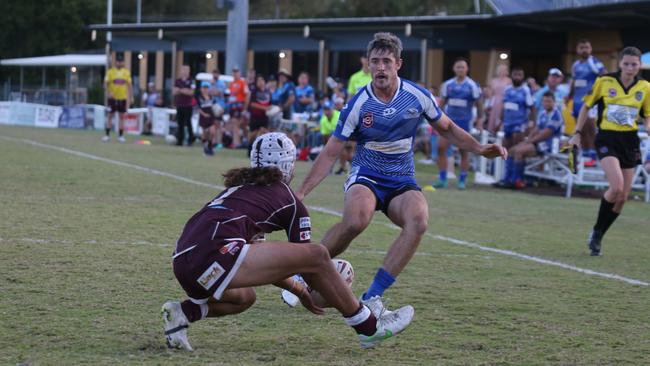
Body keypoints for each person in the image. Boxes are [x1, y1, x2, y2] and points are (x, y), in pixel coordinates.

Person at [294, 32, 507, 315]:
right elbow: (332, 151)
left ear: (398, 64)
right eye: (375, 62)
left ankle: (372, 297)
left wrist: (479, 147)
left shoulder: (417, 96)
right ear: (368, 65)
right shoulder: (359, 104)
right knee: (356, 221)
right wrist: (301, 193)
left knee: (418, 221)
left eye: (386, 61)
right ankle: (301, 273)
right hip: (367, 175)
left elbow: (447, 128)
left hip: (402, 180)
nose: (380, 67)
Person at [161, 132, 414, 351]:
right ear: (289, 164)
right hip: (215, 255)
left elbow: (266, 260)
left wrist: (298, 289)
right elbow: (309, 262)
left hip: (184, 261)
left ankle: (183, 312)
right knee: (317, 255)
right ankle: (369, 326)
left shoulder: (240, 188)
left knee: (244, 298)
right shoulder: (289, 199)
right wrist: (314, 290)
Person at [569, 46, 650, 256]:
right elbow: (586, 106)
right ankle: (596, 231)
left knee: (623, 197)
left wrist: (649, 126)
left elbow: (647, 113)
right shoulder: (604, 81)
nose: (630, 68)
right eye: (626, 64)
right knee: (616, 187)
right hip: (607, 138)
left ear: (639, 65)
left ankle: (598, 234)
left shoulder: (645, 86)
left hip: (630, 141)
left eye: (634, 64)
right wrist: (577, 132)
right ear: (619, 64)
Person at [431, 58, 484, 190]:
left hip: (465, 123)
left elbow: (479, 105)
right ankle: (443, 179)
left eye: (463, 67)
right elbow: (442, 104)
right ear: (454, 69)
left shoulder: (472, 85)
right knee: (440, 147)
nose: (460, 69)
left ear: (467, 69)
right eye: (458, 67)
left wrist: (480, 120)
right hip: (448, 124)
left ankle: (462, 180)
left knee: (464, 152)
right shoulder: (448, 85)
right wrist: (435, 119)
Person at [508, 91, 564, 189]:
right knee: (512, 150)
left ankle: (517, 181)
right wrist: (527, 140)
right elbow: (536, 129)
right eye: (545, 101)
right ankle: (509, 178)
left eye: (549, 101)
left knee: (519, 152)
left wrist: (530, 141)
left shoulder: (556, 115)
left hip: (549, 144)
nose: (546, 104)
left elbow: (546, 134)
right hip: (539, 142)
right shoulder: (543, 113)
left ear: (554, 102)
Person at [494, 66, 535, 188]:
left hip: (519, 125)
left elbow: (532, 108)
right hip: (507, 124)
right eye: (515, 74)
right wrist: (499, 122)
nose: (517, 77)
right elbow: (504, 106)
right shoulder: (507, 89)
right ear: (511, 76)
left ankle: (516, 179)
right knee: (506, 151)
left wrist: (531, 124)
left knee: (516, 150)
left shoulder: (525, 90)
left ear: (523, 77)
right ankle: (507, 177)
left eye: (519, 75)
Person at [568, 39, 607, 167]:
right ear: (577, 50)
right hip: (577, 102)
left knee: (590, 129)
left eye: (587, 47)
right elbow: (574, 81)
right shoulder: (575, 65)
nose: (584, 50)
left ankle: (593, 157)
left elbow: (605, 77)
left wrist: (598, 94)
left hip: (590, 102)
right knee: (581, 130)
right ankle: (586, 154)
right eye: (581, 47)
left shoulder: (595, 62)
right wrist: (569, 96)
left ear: (591, 49)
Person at [103, 52, 133, 143]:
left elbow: (129, 86)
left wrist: (131, 97)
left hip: (122, 98)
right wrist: (108, 93)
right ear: (116, 62)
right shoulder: (110, 72)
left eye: (121, 62)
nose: (120, 63)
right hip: (113, 98)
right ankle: (107, 135)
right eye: (118, 62)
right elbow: (105, 84)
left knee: (122, 117)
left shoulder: (126, 72)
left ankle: (121, 136)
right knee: (110, 116)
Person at [247, 74, 272, 156]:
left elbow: (270, 105)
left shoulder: (268, 92)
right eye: (258, 80)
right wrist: (264, 108)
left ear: (265, 82)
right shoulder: (254, 92)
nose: (260, 82)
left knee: (264, 133)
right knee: (252, 134)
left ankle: (260, 152)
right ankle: (249, 149)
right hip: (255, 117)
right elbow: (253, 104)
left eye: (262, 80)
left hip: (264, 118)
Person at [173, 65, 195, 146]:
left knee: (188, 122)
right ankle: (180, 140)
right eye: (183, 70)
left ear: (189, 71)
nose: (185, 72)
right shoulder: (177, 81)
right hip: (179, 104)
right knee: (180, 123)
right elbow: (174, 92)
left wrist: (180, 90)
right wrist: (184, 90)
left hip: (188, 105)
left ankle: (191, 139)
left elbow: (191, 92)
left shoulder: (191, 81)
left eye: (186, 70)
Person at [227, 66, 249, 148]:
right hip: (232, 106)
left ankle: (236, 142)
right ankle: (243, 140)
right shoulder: (232, 83)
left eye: (236, 72)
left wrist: (245, 108)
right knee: (239, 124)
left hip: (240, 106)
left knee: (236, 123)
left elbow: (247, 95)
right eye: (234, 72)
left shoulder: (242, 83)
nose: (235, 74)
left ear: (239, 73)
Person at [196, 81, 219, 156]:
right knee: (205, 132)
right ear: (201, 89)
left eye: (207, 88)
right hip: (203, 117)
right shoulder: (199, 97)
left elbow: (215, 106)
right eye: (204, 88)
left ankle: (210, 146)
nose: (205, 89)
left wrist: (218, 111)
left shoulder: (211, 97)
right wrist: (204, 114)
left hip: (211, 117)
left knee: (212, 131)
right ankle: (205, 146)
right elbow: (198, 108)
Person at [487, 64, 512, 133]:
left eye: (503, 70)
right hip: (495, 102)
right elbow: (491, 94)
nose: (501, 71)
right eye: (500, 70)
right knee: (492, 118)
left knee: (501, 118)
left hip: (504, 101)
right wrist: (489, 105)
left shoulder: (509, 81)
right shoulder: (493, 81)